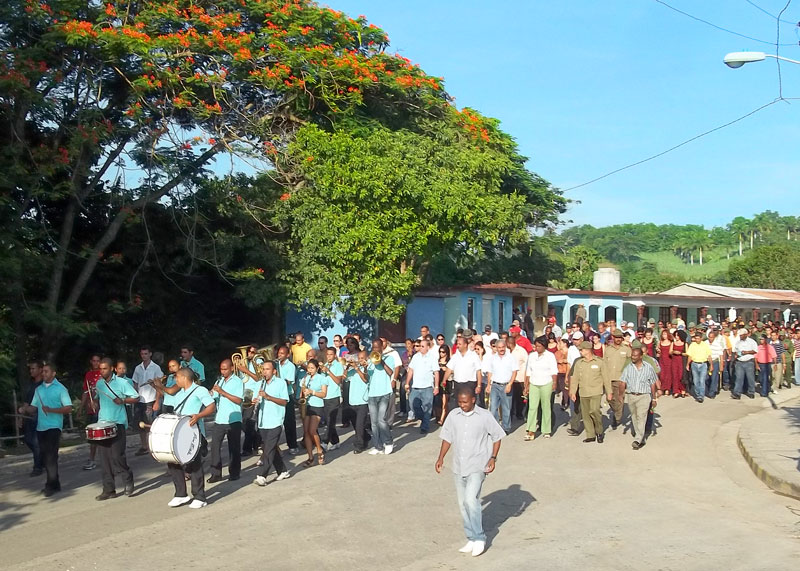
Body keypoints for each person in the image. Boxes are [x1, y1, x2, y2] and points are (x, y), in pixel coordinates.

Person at [435, 385, 505, 558]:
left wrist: (493, 458)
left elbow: (497, 437)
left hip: (477, 465)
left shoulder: (485, 416)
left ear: (473, 400)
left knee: (470, 500)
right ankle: (471, 537)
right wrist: (440, 458)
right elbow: (447, 438)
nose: (462, 405)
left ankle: (480, 537)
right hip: (459, 466)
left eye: (465, 402)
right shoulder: (453, 415)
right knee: (462, 504)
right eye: (459, 402)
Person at [17, 362, 72, 496]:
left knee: (51, 456)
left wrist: (52, 410)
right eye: (43, 371)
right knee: (46, 456)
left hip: (54, 426)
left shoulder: (60, 389)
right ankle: (55, 484)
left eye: (46, 371)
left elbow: (68, 408)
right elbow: (33, 408)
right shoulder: (39, 389)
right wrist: (24, 409)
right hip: (41, 427)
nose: (44, 373)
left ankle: (50, 485)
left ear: (53, 373)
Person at [167, 367, 216, 509]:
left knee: (195, 464)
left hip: (194, 432)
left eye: (177, 377)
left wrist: (199, 416)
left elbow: (211, 406)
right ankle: (180, 494)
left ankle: (200, 496)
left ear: (184, 377)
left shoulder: (200, 390)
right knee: (173, 461)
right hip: (179, 432)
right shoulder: (179, 393)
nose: (175, 380)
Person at [94, 357, 139, 501]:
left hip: (117, 422)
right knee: (104, 459)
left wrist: (123, 400)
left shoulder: (122, 383)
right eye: (100, 369)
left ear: (112, 369)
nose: (102, 371)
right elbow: (97, 397)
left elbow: (136, 397)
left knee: (117, 456)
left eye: (104, 368)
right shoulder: (99, 384)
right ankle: (108, 489)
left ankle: (128, 479)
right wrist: (94, 403)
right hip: (103, 422)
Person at [253, 361, 291, 486]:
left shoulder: (280, 383)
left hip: (275, 420)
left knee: (268, 449)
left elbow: (284, 401)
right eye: (263, 369)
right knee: (270, 447)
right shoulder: (259, 384)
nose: (265, 372)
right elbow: (254, 399)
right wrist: (254, 401)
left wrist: (268, 397)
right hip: (263, 421)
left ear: (274, 371)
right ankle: (283, 471)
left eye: (267, 369)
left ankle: (262, 475)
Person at [569, 341, 613, 443]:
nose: (580, 352)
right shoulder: (579, 363)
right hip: (583, 392)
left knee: (594, 411)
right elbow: (575, 378)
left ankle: (599, 431)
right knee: (586, 415)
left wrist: (609, 392)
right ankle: (590, 435)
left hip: (596, 391)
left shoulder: (599, 362)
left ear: (588, 350)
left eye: (581, 350)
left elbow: (606, 378)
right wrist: (572, 392)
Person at [208, 359, 243, 483]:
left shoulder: (238, 381)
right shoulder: (220, 380)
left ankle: (234, 472)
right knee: (214, 447)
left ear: (232, 368)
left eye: (225, 369)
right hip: (220, 418)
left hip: (234, 419)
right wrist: (210, 393)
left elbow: (238, 400)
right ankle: (216, 473)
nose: (223, 371)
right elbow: (214, 396)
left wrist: (222, 392)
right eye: (221, 369)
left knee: (234, 447)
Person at [620, 347, 659, 450]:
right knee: (634, 416)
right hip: (631, 395)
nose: (633, 357)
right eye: (632, 355)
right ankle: (641, 437)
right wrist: (621, 395)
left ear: (641, 356)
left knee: (641, 417)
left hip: (644, 396)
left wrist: (654, 398)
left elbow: (653, 383)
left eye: (635, 356)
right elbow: (622, 382)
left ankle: (638, 439)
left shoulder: (648, 367)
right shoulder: (628, 368)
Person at [366, 339, 397, 455]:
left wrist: (381, 361)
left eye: (377, 347)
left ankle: (388, 442)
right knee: (373, 422)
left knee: (381, 420)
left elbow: (390, 373)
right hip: (372, 394)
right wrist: (365, 366)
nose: (375, 349)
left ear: (381, 347)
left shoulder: (389, 358)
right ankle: (378, 446)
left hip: (384, 392)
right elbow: (367, 377)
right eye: (373, 347)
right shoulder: (370, 360)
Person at [524, 336, 558, 440]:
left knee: (546, 406)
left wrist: (554, 383)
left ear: (544, 346)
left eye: (539, 346)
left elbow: (554, 370)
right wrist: (526, 385)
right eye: (536, 346)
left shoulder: (550, 356)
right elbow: (528, 371)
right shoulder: (532, 356)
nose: (537, 348)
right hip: (534, 383)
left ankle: (546, 430)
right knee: (532, 407)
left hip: (546, 383)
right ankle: (530, 430)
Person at [132, 346, 164, 456]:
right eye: (142, 354)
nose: (144, 356)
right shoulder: (138, 368)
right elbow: (135, 383)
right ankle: (144, 446)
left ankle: (153, 445)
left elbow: (159, 386)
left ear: (150, 354)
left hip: (151, 399)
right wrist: (134, 396)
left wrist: (157, 401)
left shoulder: (155, 368)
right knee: (140, 424)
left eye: (146, 354)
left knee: (150, 424)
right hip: (140, 399)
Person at [406, 337, 439, 433]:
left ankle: (424, 427)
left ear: (428, 347)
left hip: (427, 387)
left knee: (427, 408)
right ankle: (423, 419)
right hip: (416, 387)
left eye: (423, 346)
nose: (420, 348)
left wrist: (436, 386)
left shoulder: (432, 358)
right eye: (420, 346)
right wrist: (407, 382)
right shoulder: (416, 357)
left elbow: (436, 372)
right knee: (413, 405)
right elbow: (411, 370)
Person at [442, 334, 482, 408]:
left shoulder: (473, 356)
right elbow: (449, 369)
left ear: (465, 345)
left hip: (469, 384)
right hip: (458, 384)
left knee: (469, 405)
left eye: (460, 344)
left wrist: (479, 385)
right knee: (457, 405)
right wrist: (444, 380)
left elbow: (478, 371)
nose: (457, 346)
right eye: (457, 344)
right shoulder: (455, 356)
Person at [300, 358, 328, 466]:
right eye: (308, 368)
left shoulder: (322, 378)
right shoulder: (305, 378)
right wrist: (303, 395)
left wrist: (312, 392)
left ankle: (319, 450)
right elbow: (302, 393)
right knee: (306, 432)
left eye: (312, 368)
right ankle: (310, 457)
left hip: (317, 405)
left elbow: (324, 394)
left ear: (317, 368)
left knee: (312, 430)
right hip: (307, 405)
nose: (310, 370)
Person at [486, 340, 517, 432]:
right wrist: (488, 385)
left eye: (503, 347)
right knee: (493, 408)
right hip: (495, 385)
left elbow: (514, 372)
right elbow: (490, 372)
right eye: (499, 347)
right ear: (496, 348)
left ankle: (506, 428)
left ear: (505, 347)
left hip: (506, 385)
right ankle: (495, 427)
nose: (501, 349)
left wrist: (510, 384)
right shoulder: (492, 358)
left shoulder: (511, 358)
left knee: (506, 408)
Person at [603, 329, 631, 429]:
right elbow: (604, 364)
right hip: (609, 377)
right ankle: (616, 412)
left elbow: (630, 363)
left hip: (621, 378)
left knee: (619, 398)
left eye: (620, 337)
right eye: (616, 337)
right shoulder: (608, 349)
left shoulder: (626, 349)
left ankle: (617, 418)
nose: (618, 339)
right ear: (613, 337)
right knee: (609, 398)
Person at [21, 360, 44, 477]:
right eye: (30, 369)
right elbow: (26, 401)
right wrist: (21, 416)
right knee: (28, 440)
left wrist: (30, 409)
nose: (31, 371)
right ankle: (43, 458)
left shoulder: (44, 385)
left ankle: (38, 467)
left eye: (33, 368)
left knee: (36, 442)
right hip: (30, 417)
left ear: (40, 370)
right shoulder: (31, 385)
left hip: (41, 416)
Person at [276, 346, 299, 454]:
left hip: (287, 395)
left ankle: (293, 445)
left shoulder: (290, 366)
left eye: (282, 353)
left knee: (289, 422)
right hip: (276, 395)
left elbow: (288, 382)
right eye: (279, 353)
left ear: (287, 355)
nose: (279, 355)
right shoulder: (275, 364)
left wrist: (276, 378)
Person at [320, 348, 344, 451]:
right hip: (325, 396)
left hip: (334, 396)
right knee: (329, 420)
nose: (329, 356)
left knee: (330, 420)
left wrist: (328, 372)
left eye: (331, 354)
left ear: (334, 355)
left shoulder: (338, 365)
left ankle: (325, 442)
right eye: (327, 354)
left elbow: (338, 381)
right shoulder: (325, 365)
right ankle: (335, 441)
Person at [80, 353, 102, 470]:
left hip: (102, 409)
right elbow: (85, 392)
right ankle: (92, 459)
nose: (96, 363)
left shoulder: (103, 374)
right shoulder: (88, 375)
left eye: (98, 361)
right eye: (94, 361)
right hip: (91, 409)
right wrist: (80, 408)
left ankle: (106, 459)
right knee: (92, 436)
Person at [349, 350, 372, 453]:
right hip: (352, 400)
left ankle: (360, 445)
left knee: (359, 425)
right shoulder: (353, 370)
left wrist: (357, 368)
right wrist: (347, 367)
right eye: (359, 358)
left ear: (367, 359)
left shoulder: (368, 368)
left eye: (362, 358)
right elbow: (344, 377)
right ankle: (366, 437)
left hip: (363, 401)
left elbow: (366, 379)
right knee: (356, 425)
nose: (360, 360)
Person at [686, 331, 712, 403]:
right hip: (694, 364)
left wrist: (711, 365)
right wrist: (688, 364)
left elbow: (709, 355)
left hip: (703, 364)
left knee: (702, 380)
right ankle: (697, 393)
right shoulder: (692, 345)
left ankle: (701, 396)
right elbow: (690, 356)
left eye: (698, 338)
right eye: (696, 338)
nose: (697, 340)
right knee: (695, 381)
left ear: (701, 338)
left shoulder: (705, 345)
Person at [732, 328, 758, 399]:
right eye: (740, 335)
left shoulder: (752, 342)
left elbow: (755, 350)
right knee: (739, 378)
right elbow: (735, 351)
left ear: (746, 335)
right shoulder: (738, 342)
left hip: (749, 361)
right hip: (739, 362)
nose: (740, 336)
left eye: (741, 335)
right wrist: (736, 355)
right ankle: (737, 393)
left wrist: (746, 352)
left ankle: (751, 392)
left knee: (750, 378)